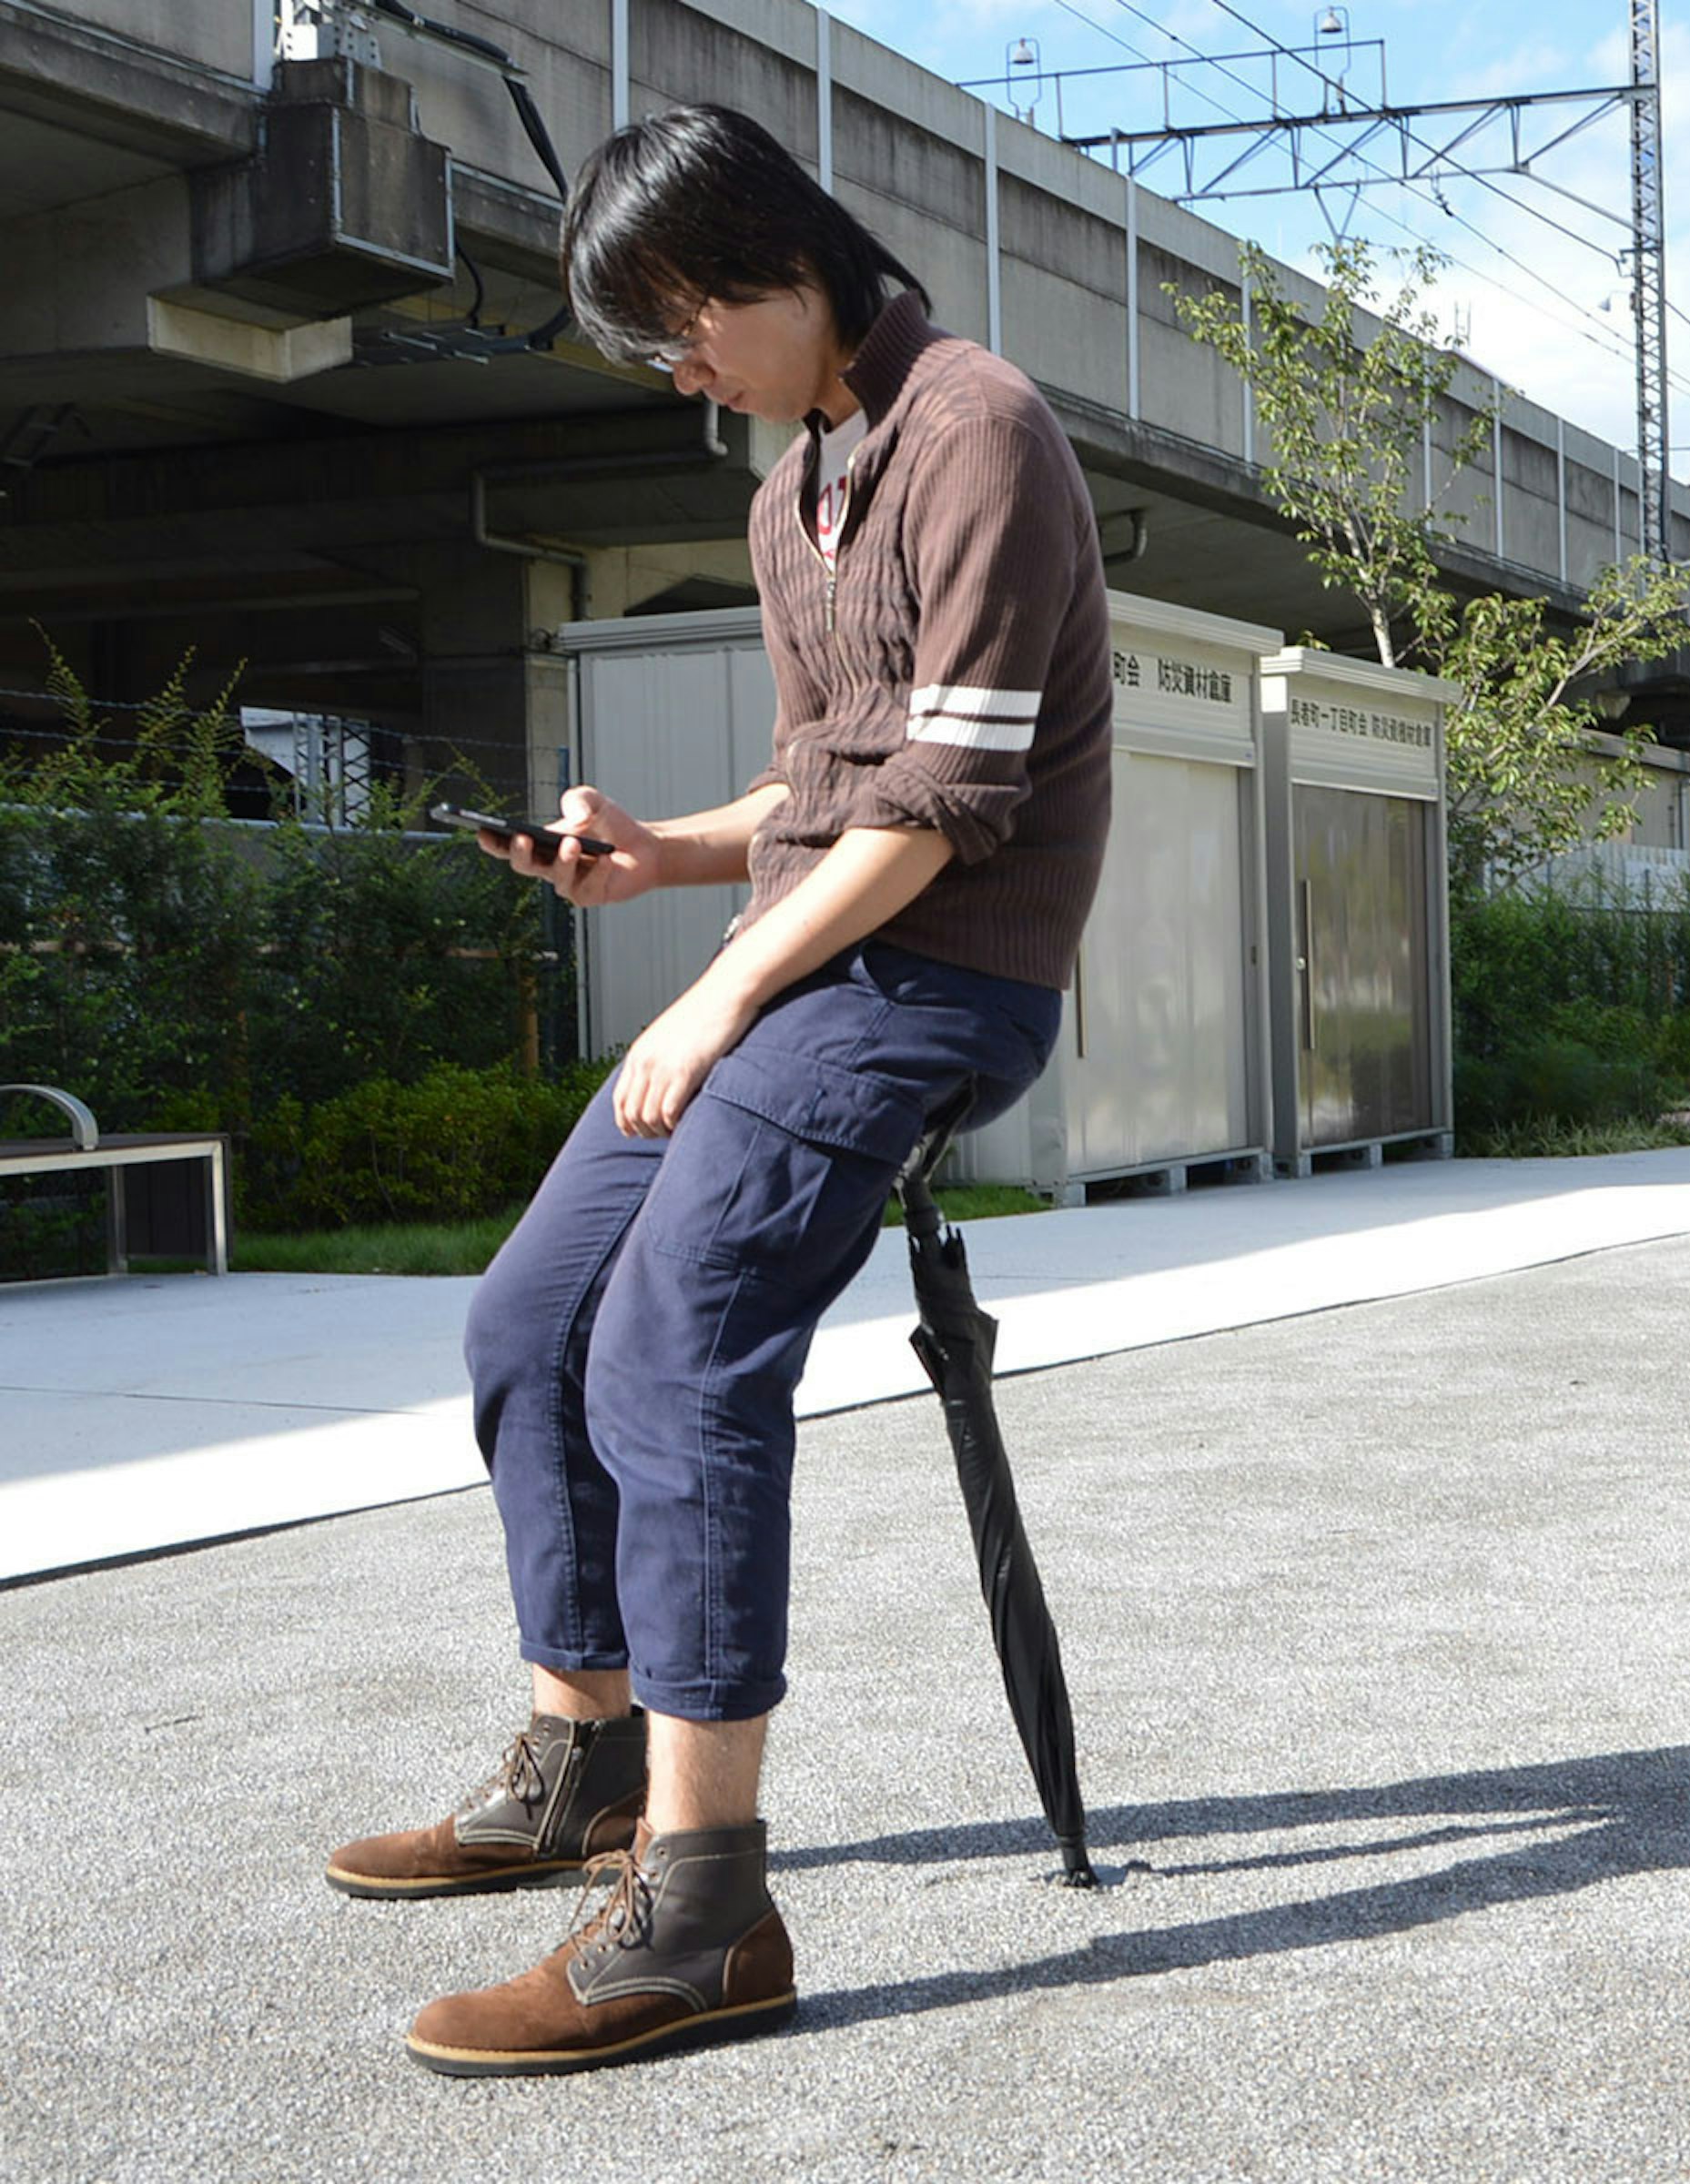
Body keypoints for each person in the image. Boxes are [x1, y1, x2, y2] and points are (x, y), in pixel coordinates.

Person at [324, 104, 1112, 2078]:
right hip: (812, 954)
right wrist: (665, 856)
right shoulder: (797, 487)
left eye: (682, 330)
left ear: (776, 263)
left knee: (674, 1349)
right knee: (533, 1315)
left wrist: (725, 981)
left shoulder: (975, 429)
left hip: (938, 975)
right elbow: (828, 775)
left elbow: (945, 801)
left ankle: (702, 1907)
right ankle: (586, 1758)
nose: (679, 373)